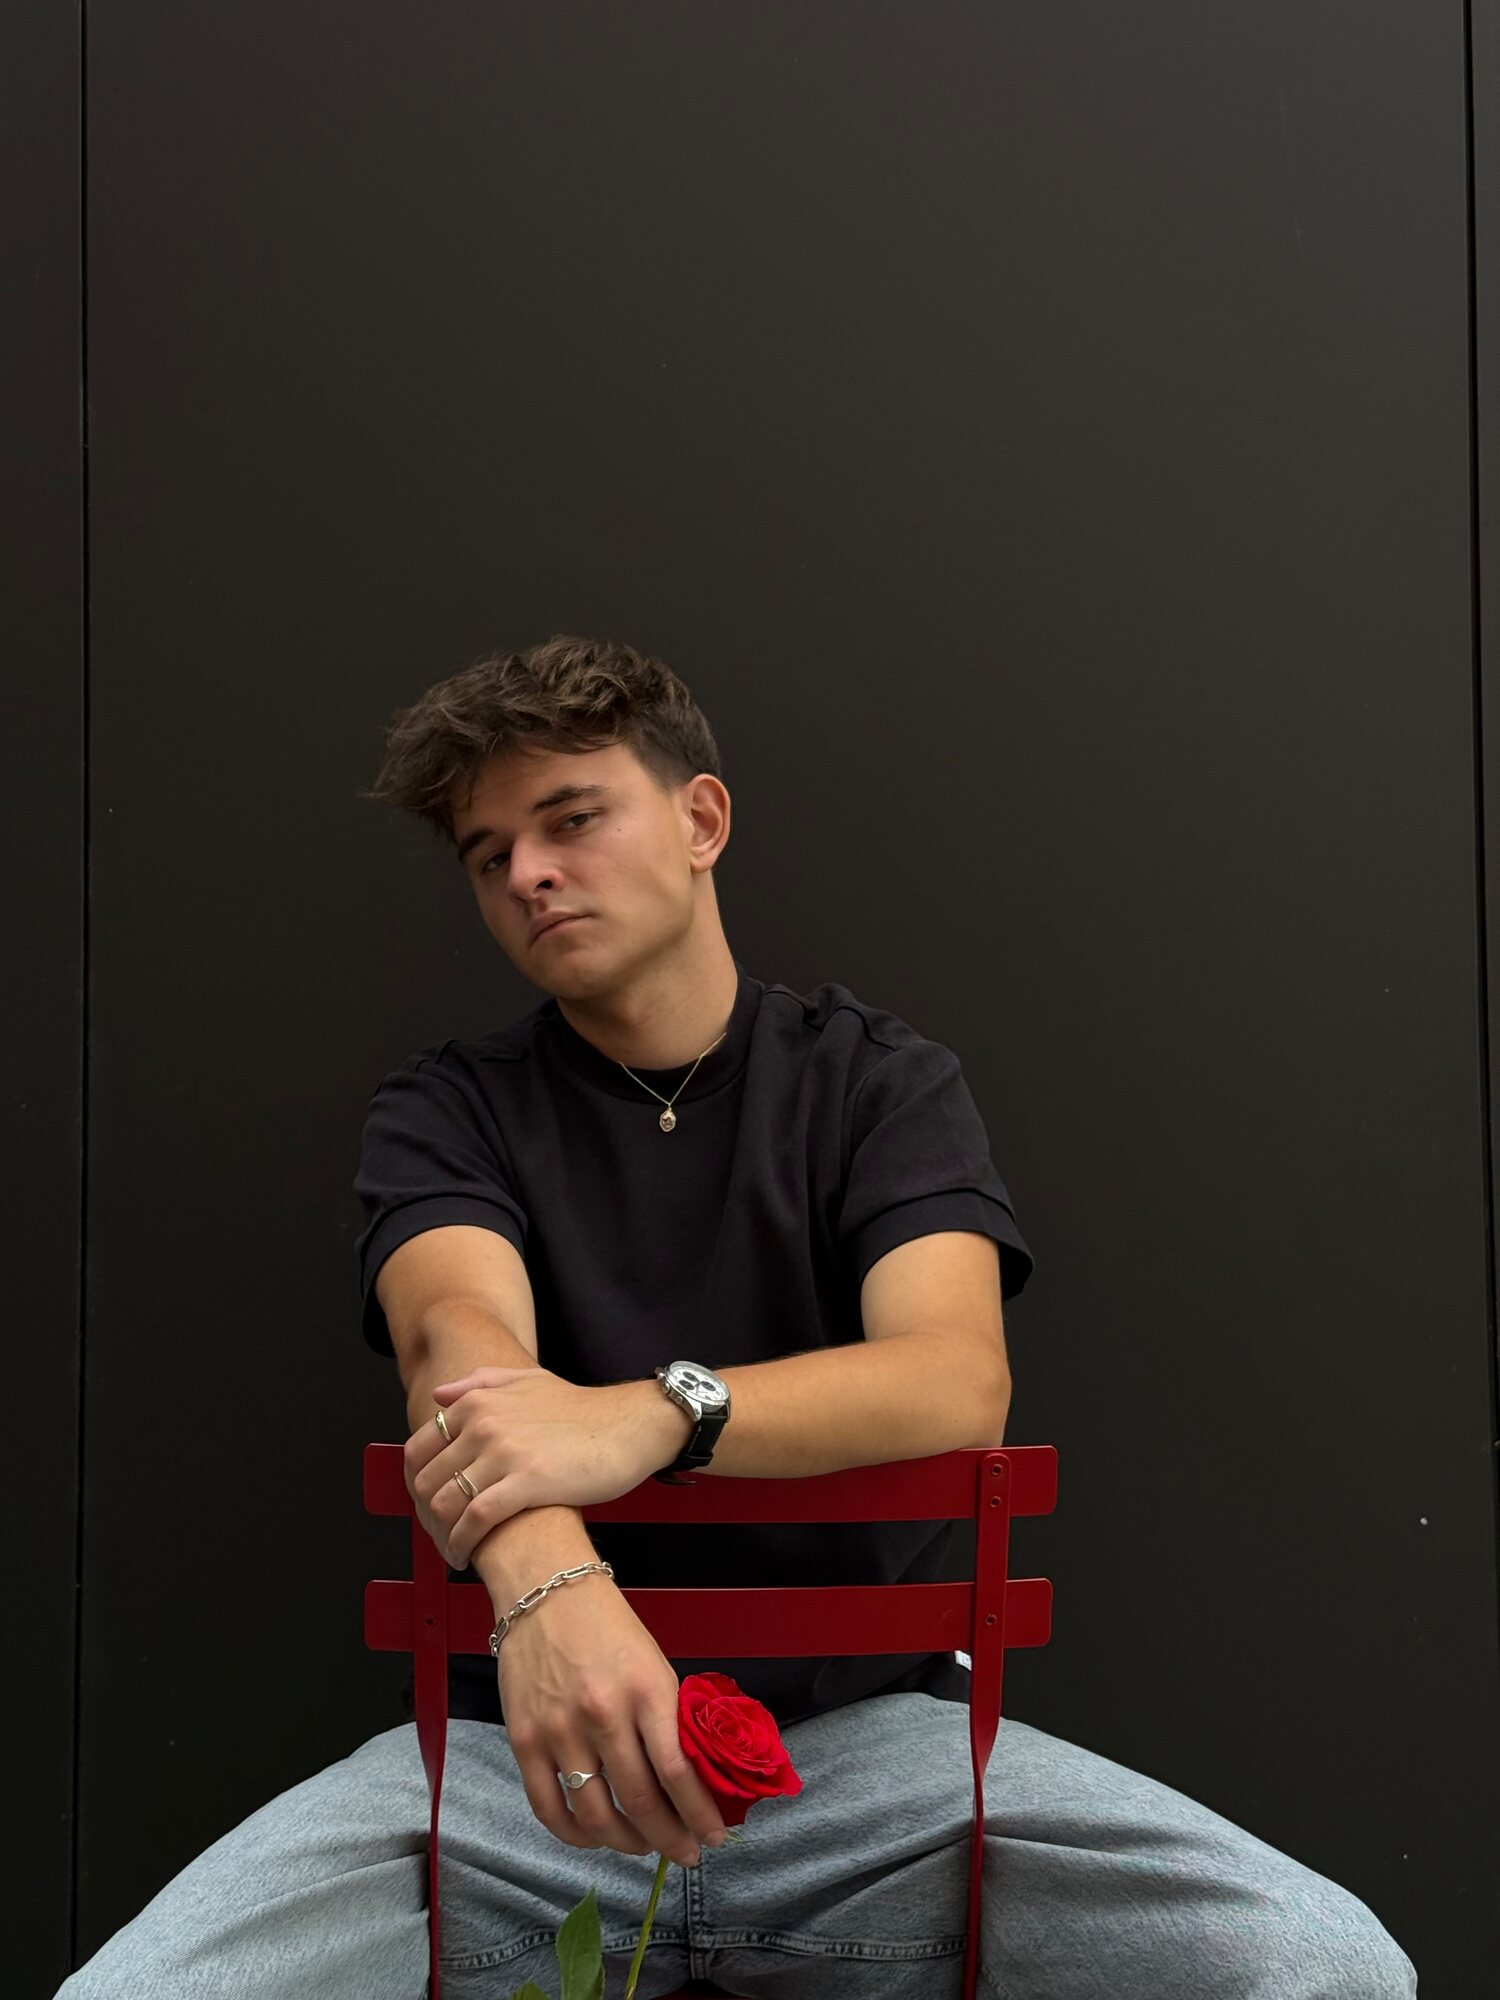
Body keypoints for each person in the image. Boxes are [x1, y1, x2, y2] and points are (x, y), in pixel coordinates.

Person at [56, 636, 1418, 1999]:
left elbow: (955, 1378)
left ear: (701, 820)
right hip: (516, 1771)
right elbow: (458, 1353)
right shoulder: (449, 1108)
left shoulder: (878, 1083)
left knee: (1324, 1967)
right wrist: (551, 1591)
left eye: (570, 819)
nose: (527, 874)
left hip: (871, 1768)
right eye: (489, 854)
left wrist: (651, 1415)